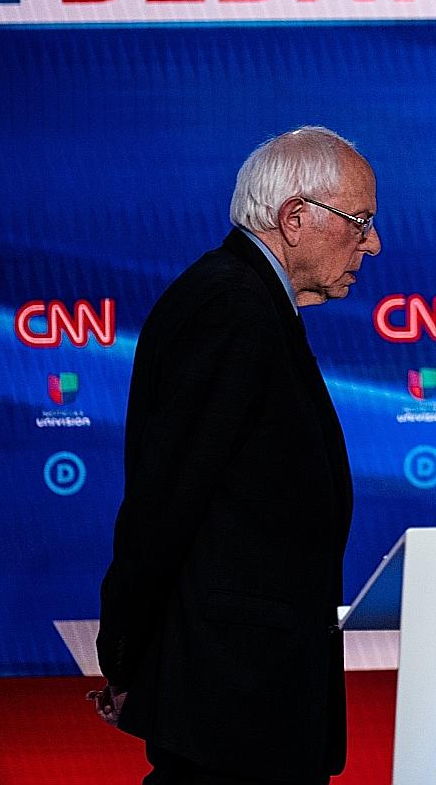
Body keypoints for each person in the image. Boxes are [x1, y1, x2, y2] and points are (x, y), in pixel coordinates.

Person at [93, 126, 381, 785]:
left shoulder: (250, 302)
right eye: (360, 221)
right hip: (231, 703)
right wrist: (128, 659)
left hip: (250, 700)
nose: (373, 242)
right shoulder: (232, 306)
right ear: (294, 218)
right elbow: (166, 501)